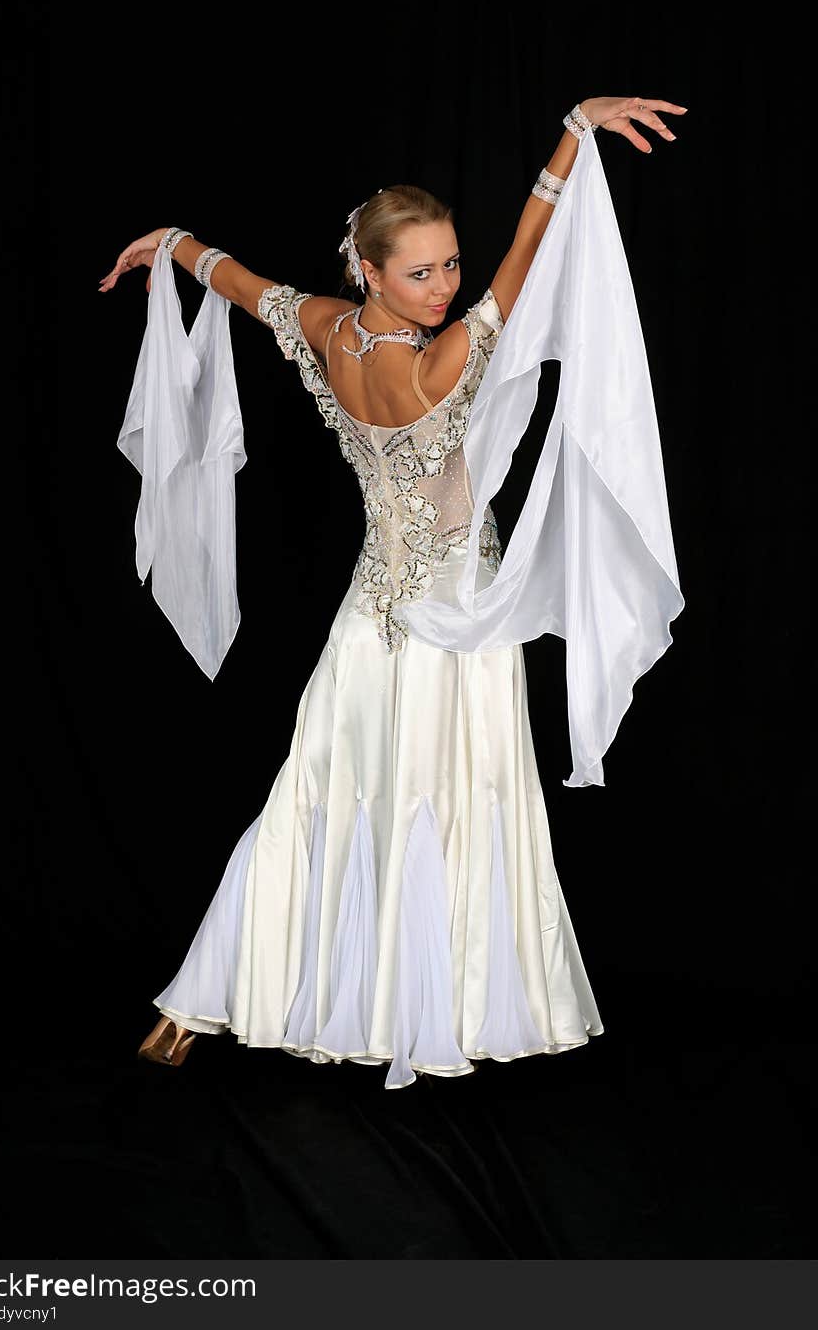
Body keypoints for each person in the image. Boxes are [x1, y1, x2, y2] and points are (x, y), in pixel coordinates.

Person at [100, 96, 687, 1090]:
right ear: (365, 269)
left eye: (449, 265)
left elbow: (238, 283)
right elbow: (527, 262)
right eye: (419, 271)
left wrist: (171, 243)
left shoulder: (324, 329)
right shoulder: (442, 363)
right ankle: (436, 1012)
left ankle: (193, 1008)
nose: (443, 286)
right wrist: (572, 134)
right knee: (448, 799)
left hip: (369, 617)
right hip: (457, 619)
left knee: (318, 797)